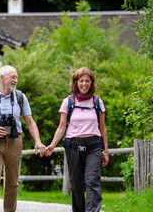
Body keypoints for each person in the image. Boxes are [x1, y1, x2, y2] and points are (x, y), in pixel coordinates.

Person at [0, 65, 46, 212]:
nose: (15, 80)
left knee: (12, 182)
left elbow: (30, 122)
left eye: (17, 77)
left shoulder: (20, 97)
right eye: (12, 77)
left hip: (14, 141)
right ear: (1, 77)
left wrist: (38, 141)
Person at [45, 67, 109, 212]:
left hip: (94, 146)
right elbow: (61, 128)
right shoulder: (68, 102)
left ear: (91, 83)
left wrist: (105, 151)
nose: (84, 84)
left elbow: (103, 128)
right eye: (81, 81)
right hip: (73, 146)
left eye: (87, 81)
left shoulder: (97, 102)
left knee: (92, 181)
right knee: (76, 183)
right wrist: (52, 145)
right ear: (76, 83)